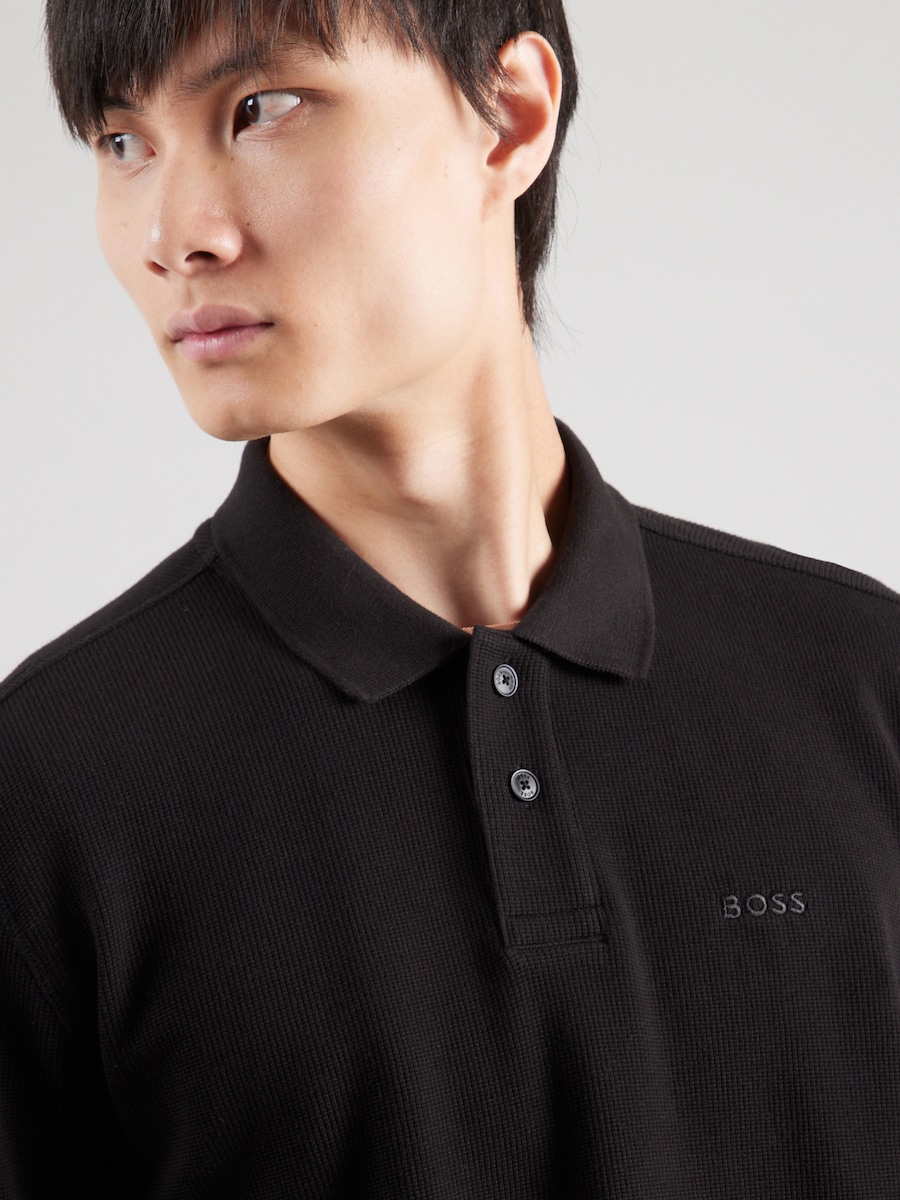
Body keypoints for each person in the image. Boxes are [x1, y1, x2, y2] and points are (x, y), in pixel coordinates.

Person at [1, 0, 898, 1195]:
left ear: (510, 114)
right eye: (122, 143)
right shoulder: (47, 793)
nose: (175, 234)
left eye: (260, 108)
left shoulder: (863, 683)